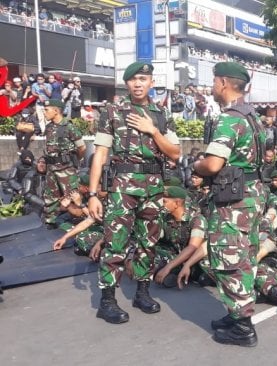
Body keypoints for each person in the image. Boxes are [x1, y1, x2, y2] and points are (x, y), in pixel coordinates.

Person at [88, 62, 181, 325]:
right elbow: (101, 153)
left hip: (153, 187)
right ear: (126, 84)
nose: (138, 83)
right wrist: (93, 193)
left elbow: (175, 152)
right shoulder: (113, 112)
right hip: (122, 187)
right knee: (115, 241)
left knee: (148, 243)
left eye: (143, 78)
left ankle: (142, 292)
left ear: (152, 81)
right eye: (133, 79)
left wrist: (152, 130)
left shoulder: (161, 114)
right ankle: (107, 301)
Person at [189, 61, 267, 347]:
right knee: (244, 256)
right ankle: (237, 316)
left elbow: (213, 163)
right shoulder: (251, 116)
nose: (212, 87)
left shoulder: (230, 118)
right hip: (252, 194)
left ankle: (243, 326)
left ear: (223, 82)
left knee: (229, 258)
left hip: (234, 201)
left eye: (213, 82)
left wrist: (196, 165)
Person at [41, 99, 86, 228]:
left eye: (47, 110)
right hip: (51, 168)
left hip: (66, 168)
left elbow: (82, 147)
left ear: (56, 111)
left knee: (72, 196)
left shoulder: (69, 126)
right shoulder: (49, 127)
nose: (45, 112)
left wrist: (75, 160)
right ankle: (51, 222)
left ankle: (79, 223)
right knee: (50, 197)